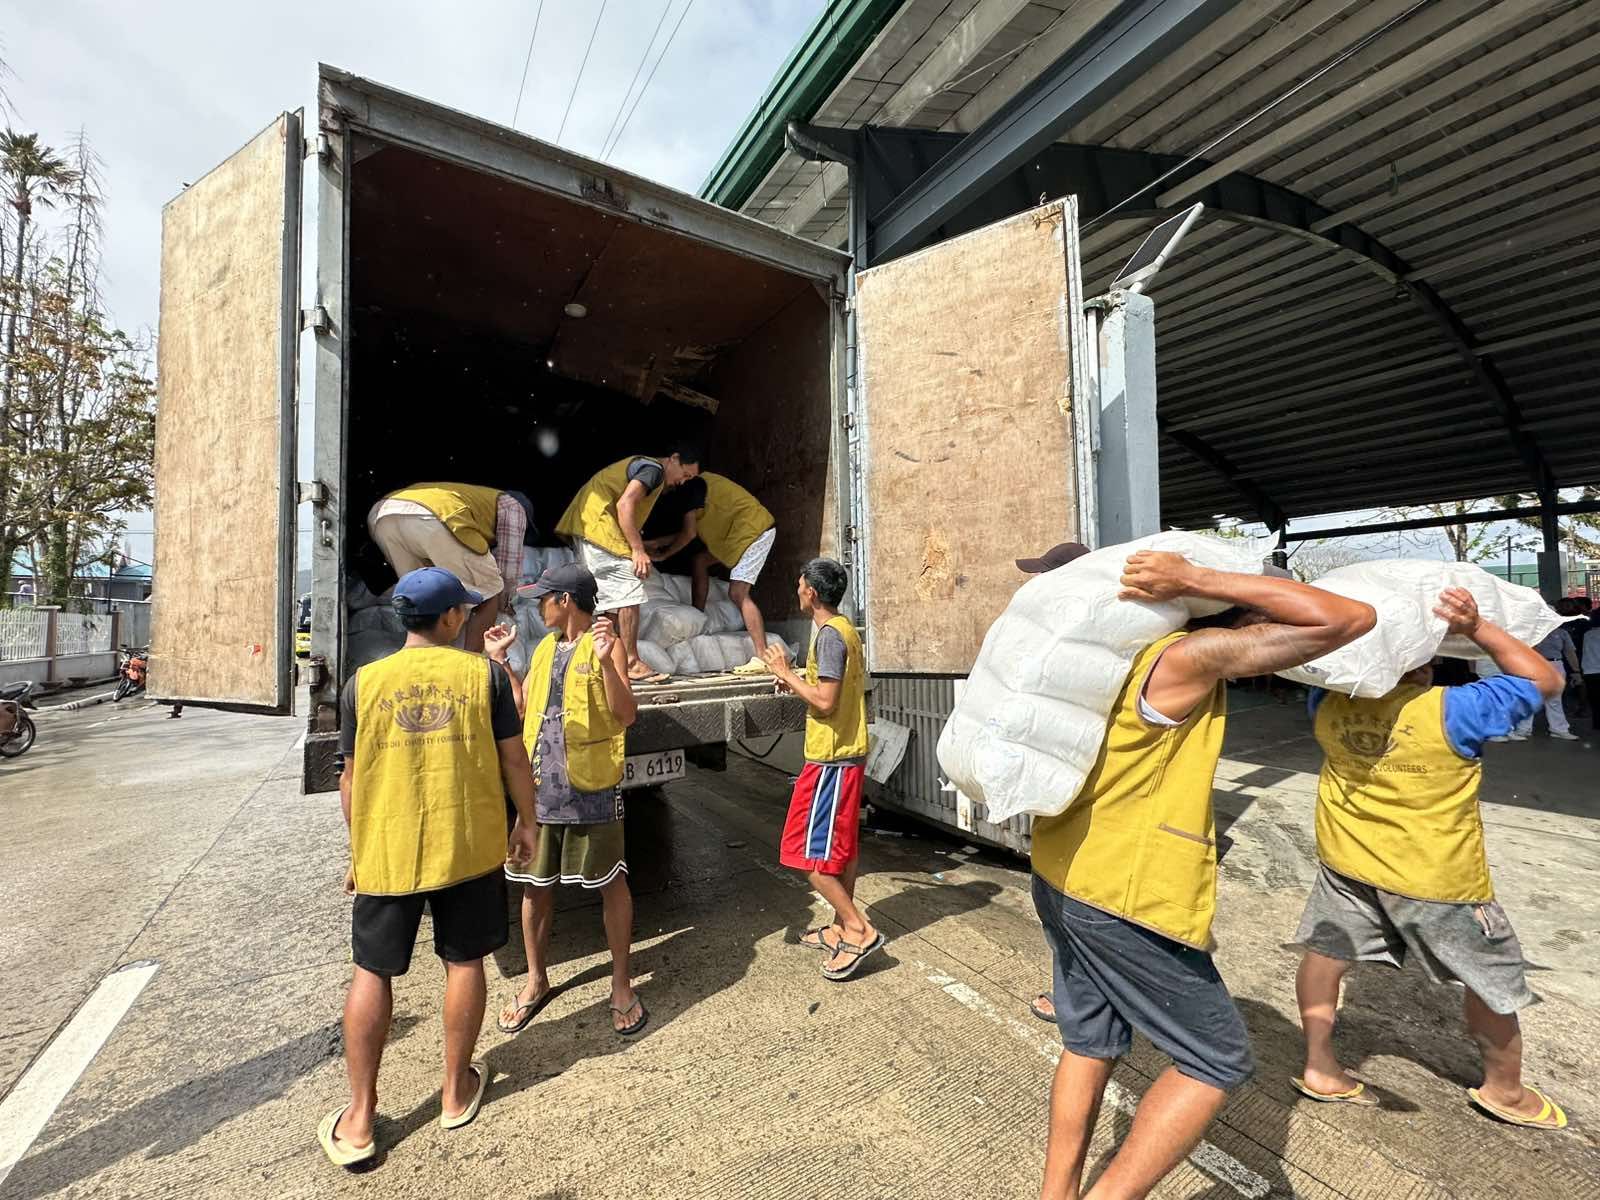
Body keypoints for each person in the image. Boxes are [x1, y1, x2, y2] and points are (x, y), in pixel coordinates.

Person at [1030, 551, 1374, 1200]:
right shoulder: (1179, 659)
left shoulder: (1071, 664)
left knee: (1090, 1039)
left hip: (1060, 869)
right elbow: (1347, 618)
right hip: (1124, 895)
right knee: (1216, 1059)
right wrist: (1198, 580)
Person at [1292, 587, 1567, 1130]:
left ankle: (1320, 1065)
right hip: (1437, 877)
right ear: (1425, 656)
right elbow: (1544, 680)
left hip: (1346, 860)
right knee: (1489, 978)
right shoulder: (1455, 708)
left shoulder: (1326, 703)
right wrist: (1475, 625)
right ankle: (1505, 1092)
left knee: (1326, 951)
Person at [321, 567, 539, 1168]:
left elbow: (350, 778)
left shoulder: (363, 684)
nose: (468, 617)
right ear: (448, 619)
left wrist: (360, 850)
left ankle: (360, 1119)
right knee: (463, 961)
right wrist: (528, 822)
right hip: (465, 845)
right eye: (463, 611)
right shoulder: (483, 676)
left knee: (372, 972)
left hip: (386, 850)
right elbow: (514, 761)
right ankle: (454, 1090)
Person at [485, 563, 648, 1037]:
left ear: (566, 601)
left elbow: (626, 713)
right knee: (535, 888)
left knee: (610, 883)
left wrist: (603, 663)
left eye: (545, 598)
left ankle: (621, 984)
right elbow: (523, 707)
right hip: (541, 789)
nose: (540, 607)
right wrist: (501, 662)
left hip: (591, 785)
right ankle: (536, 981)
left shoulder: (606, 644)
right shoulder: (542, 650)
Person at [762, 558, 879, 982]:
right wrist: (796, 680)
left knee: (806, 854)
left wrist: (785, 672)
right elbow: (828, 689)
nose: (797, 591)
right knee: (842, 848)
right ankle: (839, 925)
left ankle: (859, 930)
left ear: (811, 592)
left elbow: (826, 702)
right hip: (847, 755)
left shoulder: (829, 637)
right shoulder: (844, 629)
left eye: (799, 586)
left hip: (830, 760)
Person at [1010, 541, 1093, 1026]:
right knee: (1055, 900)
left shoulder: (1079, 646)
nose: (1032, 583)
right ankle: (1072, 996)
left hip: (1082, 805)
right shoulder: (1059, 640)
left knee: (1070, 906)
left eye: (1041, 574)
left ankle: (1077, 1000)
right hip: (1061, 806)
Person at [555, 446, 702, 683]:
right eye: (685, 474)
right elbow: (625, 505)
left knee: (609, 603)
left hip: (590, 529)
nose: (682, 482)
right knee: (630, 589)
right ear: (674, 459)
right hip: (599, 528)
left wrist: (640, 543)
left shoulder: (644, 468)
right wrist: (637, 550)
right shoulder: (653, 470)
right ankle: (631, 662)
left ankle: (606, 660)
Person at [367, 482, 537, 653]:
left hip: (382, 515)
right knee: (488, 594)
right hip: (436, 517)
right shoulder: (513, 505)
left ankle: (420, 658)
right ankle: (469, 662)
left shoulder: (472, 497)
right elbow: (508, 565)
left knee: (420, 598)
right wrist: (504, 603)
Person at [646, 471, 778, 673]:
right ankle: (697, 616)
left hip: (754, 532)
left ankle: (762, 657)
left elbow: (689, 534)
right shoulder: (692, 493)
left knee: (738, 593)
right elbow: (689, 531)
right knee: (700, 561)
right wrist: (655, 543)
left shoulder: (693, 486)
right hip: (736, 536)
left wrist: (664, 555)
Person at [1511, 622, 1579, 740]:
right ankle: (1523, 729)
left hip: (1556, 664)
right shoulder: (1530, 631)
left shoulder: (1562, 633)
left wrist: (1576, 671)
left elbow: (1570, 652)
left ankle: (1559, 729)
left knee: (1555, 699)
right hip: (1534, 664)